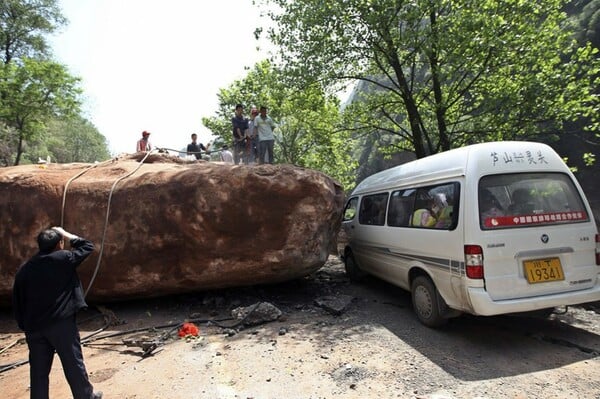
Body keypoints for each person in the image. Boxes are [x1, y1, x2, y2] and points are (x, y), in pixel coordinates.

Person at [12, 227, 102, 399]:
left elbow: (17, 301)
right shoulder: (63, 258)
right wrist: (66, 233)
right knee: (73, 363)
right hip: (61, 325)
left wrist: (25, 326)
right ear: (60, 244)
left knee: (38, 372)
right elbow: (88, 246)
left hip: (35, 328)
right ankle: (85, 396)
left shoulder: (25, 269)